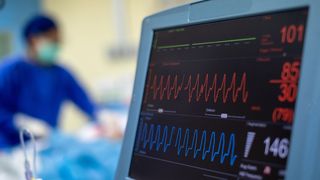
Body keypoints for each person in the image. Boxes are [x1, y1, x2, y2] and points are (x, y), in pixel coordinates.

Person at [0, 15, 96, 148]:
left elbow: (85, 102)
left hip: (46, 145)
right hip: (11, 147)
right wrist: (19, 122)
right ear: (33, 40)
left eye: (58, 41)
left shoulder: (61, 74)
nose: (57, 46)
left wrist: (101, 116)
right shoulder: (10, 70)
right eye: (53, 41)